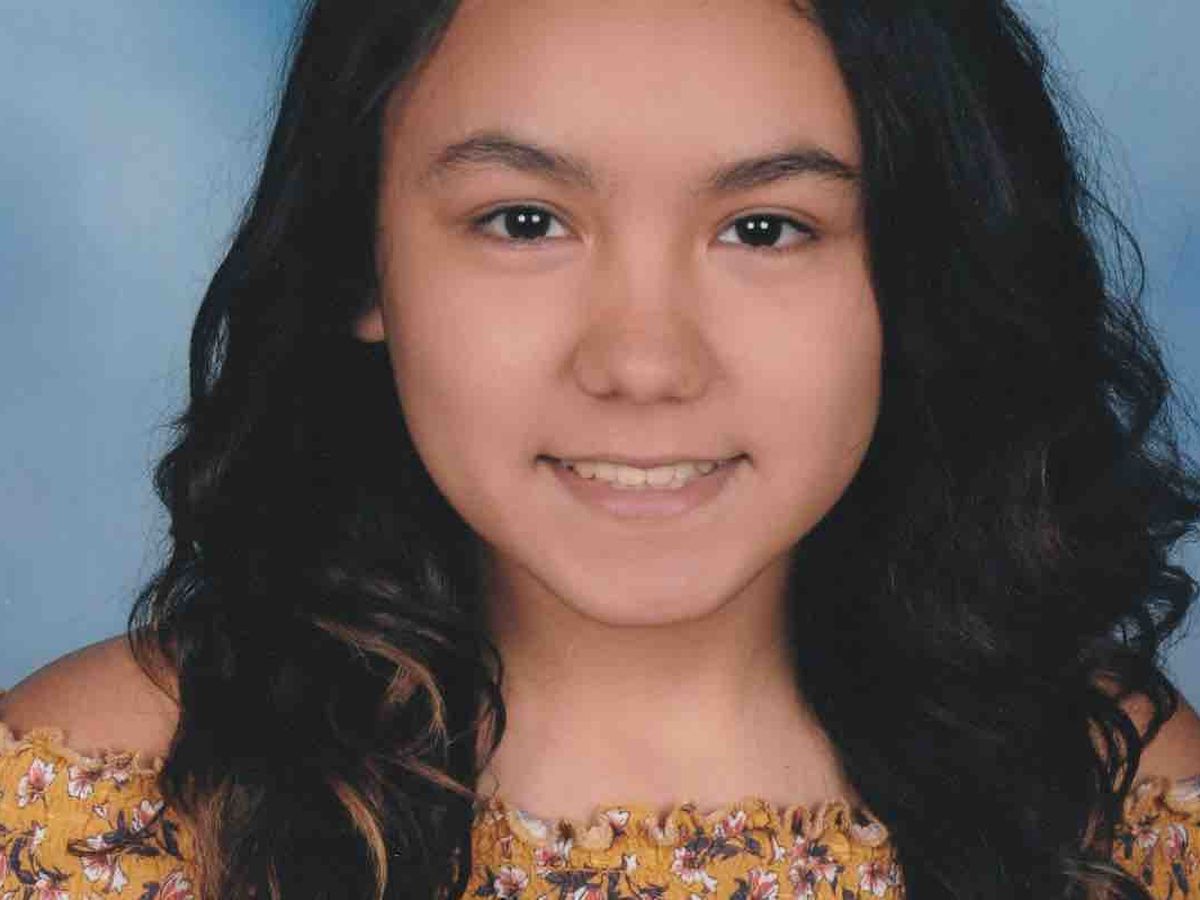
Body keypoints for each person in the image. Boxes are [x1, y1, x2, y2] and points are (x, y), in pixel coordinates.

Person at [2, 0, 1199, 897]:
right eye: (524, 221)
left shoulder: (1118, 799)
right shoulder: (95, 803)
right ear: (358, 261)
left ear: (920, 275)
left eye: (766, 229)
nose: (643, 363)